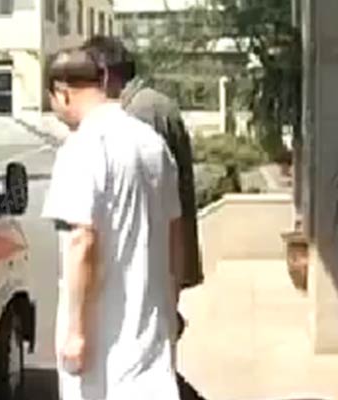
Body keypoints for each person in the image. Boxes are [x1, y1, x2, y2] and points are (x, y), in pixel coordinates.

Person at [42, 48, 182, 399]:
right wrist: (170, 308)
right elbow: (174, 236)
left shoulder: (81, 148)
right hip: (151, 341)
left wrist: (76, 331)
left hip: (104, 353)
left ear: (61, 93)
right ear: (103, 79)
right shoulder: (153, 144)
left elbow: (82, 241)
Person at [81, 35, 206, 400]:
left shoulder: (138, 115)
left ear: (105, 75)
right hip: (163, 256)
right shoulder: (153, 104)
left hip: (150, 259)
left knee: (141, 364)